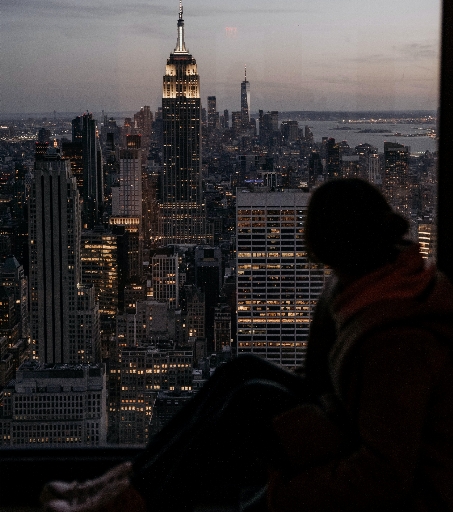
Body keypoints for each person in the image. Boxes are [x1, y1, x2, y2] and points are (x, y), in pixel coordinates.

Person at [41, 179, 453, 512]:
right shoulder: (374, 276)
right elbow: (317, 378)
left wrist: (286, 494)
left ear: (340, 245)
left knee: (248, 400)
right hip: (342, 419)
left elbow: (385, 474)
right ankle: (127, 481)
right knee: (238, 370)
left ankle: (139, 502)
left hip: (387, 469)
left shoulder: (400, 340)